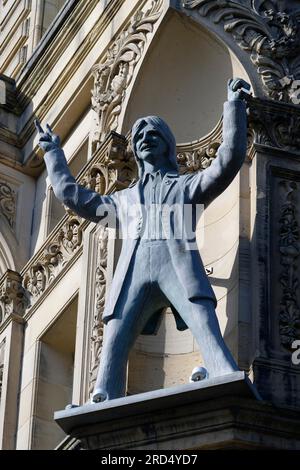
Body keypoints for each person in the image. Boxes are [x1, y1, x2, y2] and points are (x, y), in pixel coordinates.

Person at [35, 77, 250, 403]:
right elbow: (73, 196)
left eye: (153, 134)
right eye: (139, 136)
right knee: (115, 337)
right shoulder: (123, 202)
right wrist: (53, 154)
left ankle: (220, 369)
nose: (145, 139)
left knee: (202, 320)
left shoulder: (186, 188)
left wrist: (234, 107)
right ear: (134, 150)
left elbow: (227, 162)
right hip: (134, 273)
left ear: (166, 144)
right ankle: (104, 393)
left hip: (177, 267)